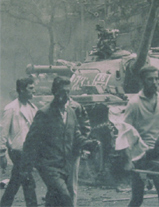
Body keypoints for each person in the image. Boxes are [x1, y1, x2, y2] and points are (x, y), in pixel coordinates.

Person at [20, 76, 100, 207]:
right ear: (54, 92)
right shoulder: (44, 113)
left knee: (53, 199)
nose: (66, 96)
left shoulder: (71, 112)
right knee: (65, 198)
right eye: (63, 92)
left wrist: (88, 143)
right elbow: (30, 142)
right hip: (49, 166)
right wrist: (26, 169)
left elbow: (76, 136)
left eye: (68, 92)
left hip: (65, 166)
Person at [123, 65, 159, 207]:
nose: (155, 82)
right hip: (140, 155)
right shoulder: (134, 103)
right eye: (150, 79)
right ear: (142, 81)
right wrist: (128, 159)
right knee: (137, 198)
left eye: (157, 79)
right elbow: (124, 132)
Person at [0, 77, 38, 207]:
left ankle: (4, 204)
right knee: (28, 182)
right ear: (21, 90)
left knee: (15, 181)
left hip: (30, 151)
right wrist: (2, 153)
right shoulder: (11, 108)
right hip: (17, 151)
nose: (34, 91)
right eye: (30, 88)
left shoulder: (33, 108)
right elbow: (3, 132)